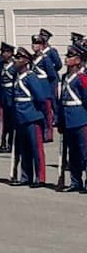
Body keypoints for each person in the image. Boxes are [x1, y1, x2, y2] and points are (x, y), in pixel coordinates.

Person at [10, 47, 49, 187]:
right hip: (20, 117)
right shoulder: (17, 76)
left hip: (32, 116)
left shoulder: (31, 77)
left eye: (19, 58)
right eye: (16, 58)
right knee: (24, 149)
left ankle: (40, 177)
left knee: (36, 149)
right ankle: (26, 176)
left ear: (26, 61)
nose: (16, 60)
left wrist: (40, 115)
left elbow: (40, 97)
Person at [56, 43, 87, 193]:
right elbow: (61, 101)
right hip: (68, 120)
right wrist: (60, 120)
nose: (67, 59)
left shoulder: (83, 78)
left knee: (84, 152)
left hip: (81, 119)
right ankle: (75, 182)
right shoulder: (65, 77)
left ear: (79, 60)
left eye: (70, 56)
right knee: (72, 154)